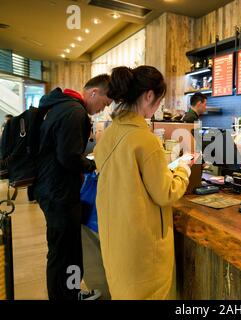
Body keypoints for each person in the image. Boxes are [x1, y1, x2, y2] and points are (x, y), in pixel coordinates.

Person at [94, 66, 193, 300]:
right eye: (159, 100)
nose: (159, 105)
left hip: (116, 240)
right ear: (149, 95)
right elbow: (165, 193)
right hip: (143, 249)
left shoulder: (109, 134)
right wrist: (183, 168)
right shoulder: (144, 140)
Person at [34, 74, 112, 300]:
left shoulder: (61, 106)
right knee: (63, 251)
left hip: (53, 189)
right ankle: (66, 296)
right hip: (60, 193)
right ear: (94, 93)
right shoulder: (75, 112)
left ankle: (71, 292)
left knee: (66, 249)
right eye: (104, 104)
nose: (101, 110)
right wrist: (94, 164)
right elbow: (68, 156)